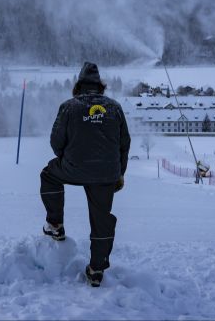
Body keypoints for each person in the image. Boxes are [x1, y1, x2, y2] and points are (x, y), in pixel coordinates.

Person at [39, 61, 131, 287]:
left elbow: (55, 141)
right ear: (100, 86)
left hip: (73, 167)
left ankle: (55, 225)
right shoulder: (115, 107)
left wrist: (67, 159)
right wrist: (118, 173)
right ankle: (97, 269)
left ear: (78, 85)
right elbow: (124, 144)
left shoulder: (69, 107)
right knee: (101, 219)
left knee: (49, 174)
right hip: (106, 174)